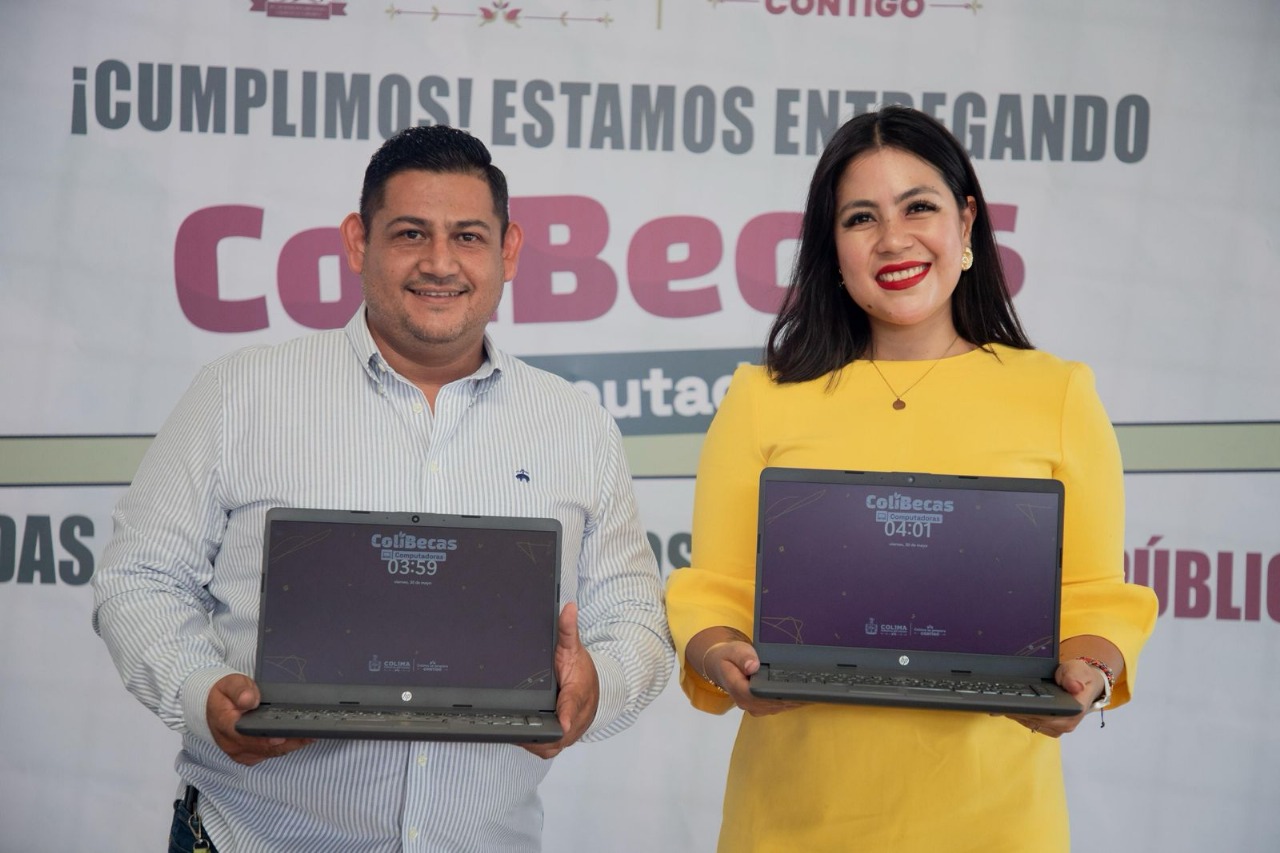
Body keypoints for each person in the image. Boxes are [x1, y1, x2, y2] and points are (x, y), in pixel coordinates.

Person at [92, 125, 673, 853]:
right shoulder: (239, 394)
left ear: (508, 250)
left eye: (468, 236)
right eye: (410, 234)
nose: (440, 263)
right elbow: (140, 577)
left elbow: (634, 619)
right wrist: (200, 691)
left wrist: (598, 686)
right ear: (358, 242)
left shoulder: (575, 424)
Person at [664, 105, 1158, 852]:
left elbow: (1094, 595)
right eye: (860, 217)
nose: (893, 239)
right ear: (832, 249)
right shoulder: (761, 397)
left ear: (967, 223)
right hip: (794, 821)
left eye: (918, 207)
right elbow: (716, 591)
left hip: (994, 824)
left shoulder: (1058, 394)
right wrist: (717, 652)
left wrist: (1087, 670)